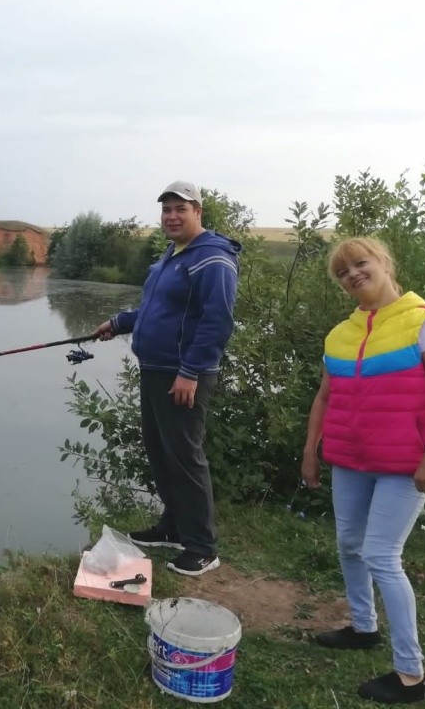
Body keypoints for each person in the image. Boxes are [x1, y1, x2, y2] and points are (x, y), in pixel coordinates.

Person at [301, 237, 425, 705]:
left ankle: (411, 675)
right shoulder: (341, 334)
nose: (353, 274)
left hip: (404, 463)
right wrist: (311, 451)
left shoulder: (424, 325)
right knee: (349, 545)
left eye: (360, 263)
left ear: (383, 263)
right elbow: (325, 397)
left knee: (380, 555)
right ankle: (362, 626)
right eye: (343, 272)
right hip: (350, 459)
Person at [94, 180, 241, 576]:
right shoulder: (172, 256)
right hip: (156, 369)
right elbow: (157, 310)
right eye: (166, 210)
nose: (172, 216)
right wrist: (120, 322)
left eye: (181, 209)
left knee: (185, 455)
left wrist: (190, 372)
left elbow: (217, 321)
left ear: (199, 213)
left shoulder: (213, 258)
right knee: (161, 452)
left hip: (183, 374)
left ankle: (202, 546)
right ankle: (173, 526)